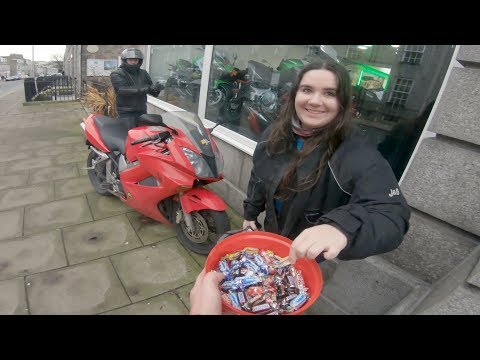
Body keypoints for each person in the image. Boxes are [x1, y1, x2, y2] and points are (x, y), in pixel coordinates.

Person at [242, 60, 411, 265]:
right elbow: (259, 176)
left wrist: (340, 228)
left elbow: (392, 215)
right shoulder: (274, 134)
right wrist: (250, 214)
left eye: (329, 93)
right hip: (273, 238)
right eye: (307, 90)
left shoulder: (355, 153)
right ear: (295, 94)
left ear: (343, 102)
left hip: (310, 258)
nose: (314, 101)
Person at [110, 48, 164, 130]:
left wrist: (157, 88)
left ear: (139, 60)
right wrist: (148, 88)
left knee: (143, 136)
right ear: (125, 60)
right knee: (128, 136)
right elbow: (122, 90)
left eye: (136, 60)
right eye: (130, 59)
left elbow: (152, 91)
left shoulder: (144, 73)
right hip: (126, 112)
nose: (133, 62)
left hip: (142, 111)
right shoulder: (117, 73)